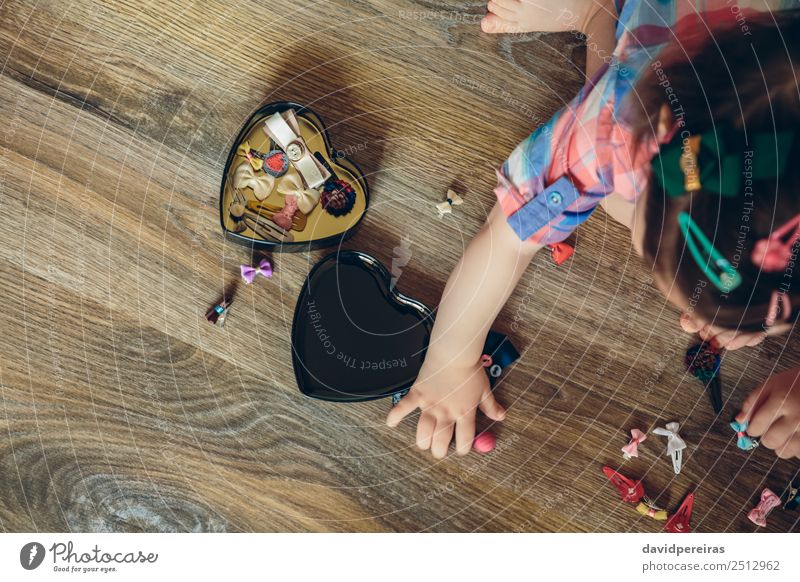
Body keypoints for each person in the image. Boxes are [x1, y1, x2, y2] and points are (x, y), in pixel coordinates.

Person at [387, 0, 800, 460]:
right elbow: (509, 233)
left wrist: (749, 312)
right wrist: (450, 359)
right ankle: (593, 11)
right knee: (616, 201)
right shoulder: (617, 125)